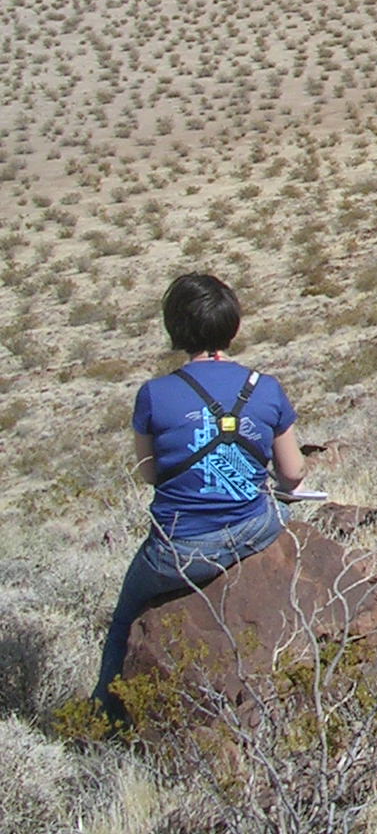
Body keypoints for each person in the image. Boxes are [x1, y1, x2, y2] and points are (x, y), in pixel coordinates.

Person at [93, 273, 306, 718]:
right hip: (253, 530)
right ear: (232, 325)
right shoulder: (265, 387)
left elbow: (150, 473)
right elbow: (292, 473)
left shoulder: (154, 395)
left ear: (175, 329)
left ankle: (104, 715)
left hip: (178, 550)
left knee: (124, 618)